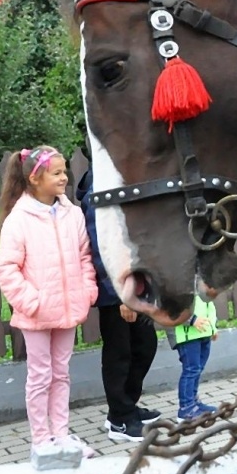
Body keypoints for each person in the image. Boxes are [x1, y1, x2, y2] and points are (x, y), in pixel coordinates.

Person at [0, 146, 99, 468]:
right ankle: (41, 440)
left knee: (61, 374)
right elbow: (7, 268)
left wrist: (87, 292)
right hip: (36, 316)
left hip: (68, 312)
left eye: (64, 171)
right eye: (57, 173)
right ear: (34, 178)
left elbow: (84, 256)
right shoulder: (19, 219)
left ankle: (63, 435)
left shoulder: (73, 214)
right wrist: (33, 303)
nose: (64, 177)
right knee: (40, 377)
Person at [77, 170, 160, 444]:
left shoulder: (126, 176)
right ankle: (119, 419)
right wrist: (121, 294)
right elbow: (102, 245)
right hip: (117, 290)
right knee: (120, 354)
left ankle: (127, 405)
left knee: (145, 345)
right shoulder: (99, 185)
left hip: (137, 286)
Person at [171, 294, 219, 421]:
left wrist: (213, 328)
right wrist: (191, 320)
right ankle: (186, 408)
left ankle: (194, 402)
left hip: (203, 332)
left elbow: (210, 306)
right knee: (191, 369)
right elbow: (172, 306)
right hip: (186, 335)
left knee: (197, 368)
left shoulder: (202, 282)